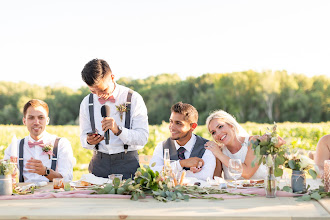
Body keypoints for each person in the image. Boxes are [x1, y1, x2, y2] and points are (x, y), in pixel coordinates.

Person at [79, 58, 149, 180]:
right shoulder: (86, 102)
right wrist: (89, 141)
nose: (99, 95)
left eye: (103, 89)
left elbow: (143, 137)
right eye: (93, 91)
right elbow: (83, 139)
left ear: (112, 77)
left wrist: (118, 130)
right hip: (98, 163)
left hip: (127, 163)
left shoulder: (133, 98)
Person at [4, 99, 74, 183]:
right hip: (25, 194)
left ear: (47, 120)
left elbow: (67, 179)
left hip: (53, 193)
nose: (36, 122)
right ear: (24, 121)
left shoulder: (61, 144)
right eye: (31, 118)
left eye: (41, 117)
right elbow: (4, 174)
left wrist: (46, 171)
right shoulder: (15, 146)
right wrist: (6, 171)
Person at [149, 102, 216, 181]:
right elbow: (153, 173)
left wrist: (169, 174)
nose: (172, 127)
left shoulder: (206, 147)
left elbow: (205, 177)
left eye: (178, 123)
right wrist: (181, 164)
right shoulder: (161, 146)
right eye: (171, 121)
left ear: (193, 126)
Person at [205, 110, 269, 180]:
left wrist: (219, 154)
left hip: (261, 190)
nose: (218, 134)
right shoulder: (220, 151)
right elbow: (216, 180)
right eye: (213, 132)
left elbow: (247, 172)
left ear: (231, 125)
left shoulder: (254, 141)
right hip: (235, 191)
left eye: (220, 126)